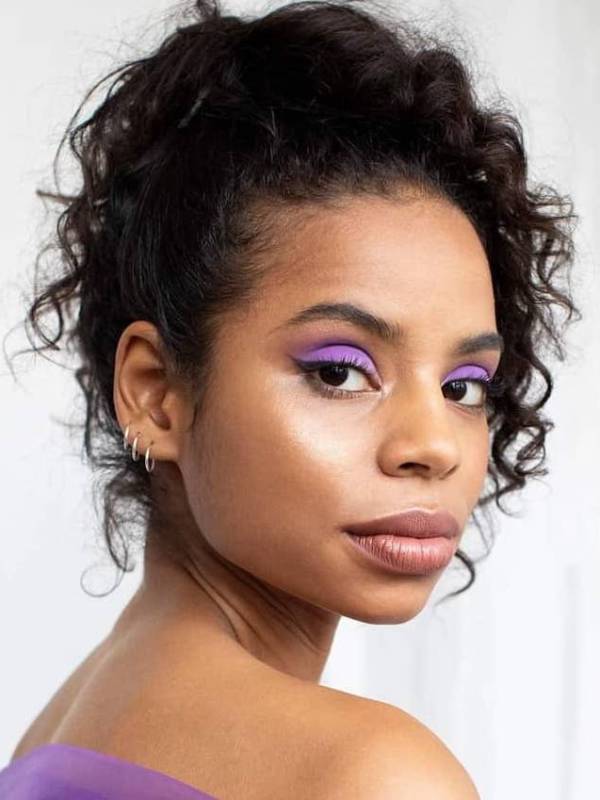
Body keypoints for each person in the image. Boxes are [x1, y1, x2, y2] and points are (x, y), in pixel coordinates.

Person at [1, 0, 579, 797]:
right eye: (339, 372)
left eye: (463, 386)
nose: (434, 445)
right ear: (155, 394)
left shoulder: (59, 736)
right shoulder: (371, 773)